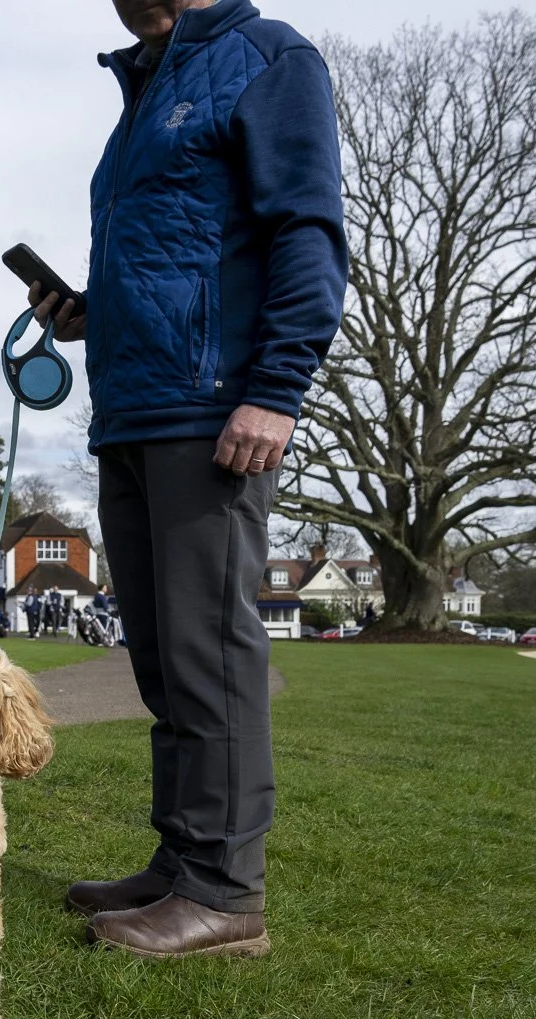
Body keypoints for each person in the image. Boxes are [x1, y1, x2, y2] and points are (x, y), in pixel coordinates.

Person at [43, 0, 348, 959]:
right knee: (163, 659)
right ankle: (180, 864)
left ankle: (225, 894)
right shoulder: (145, 86)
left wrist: (277, 388)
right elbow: (177, 252)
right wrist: (90, 310)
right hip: (131, 408)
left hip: (213, 411)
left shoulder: (269, 58)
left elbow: (306, 228)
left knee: (209, 651)